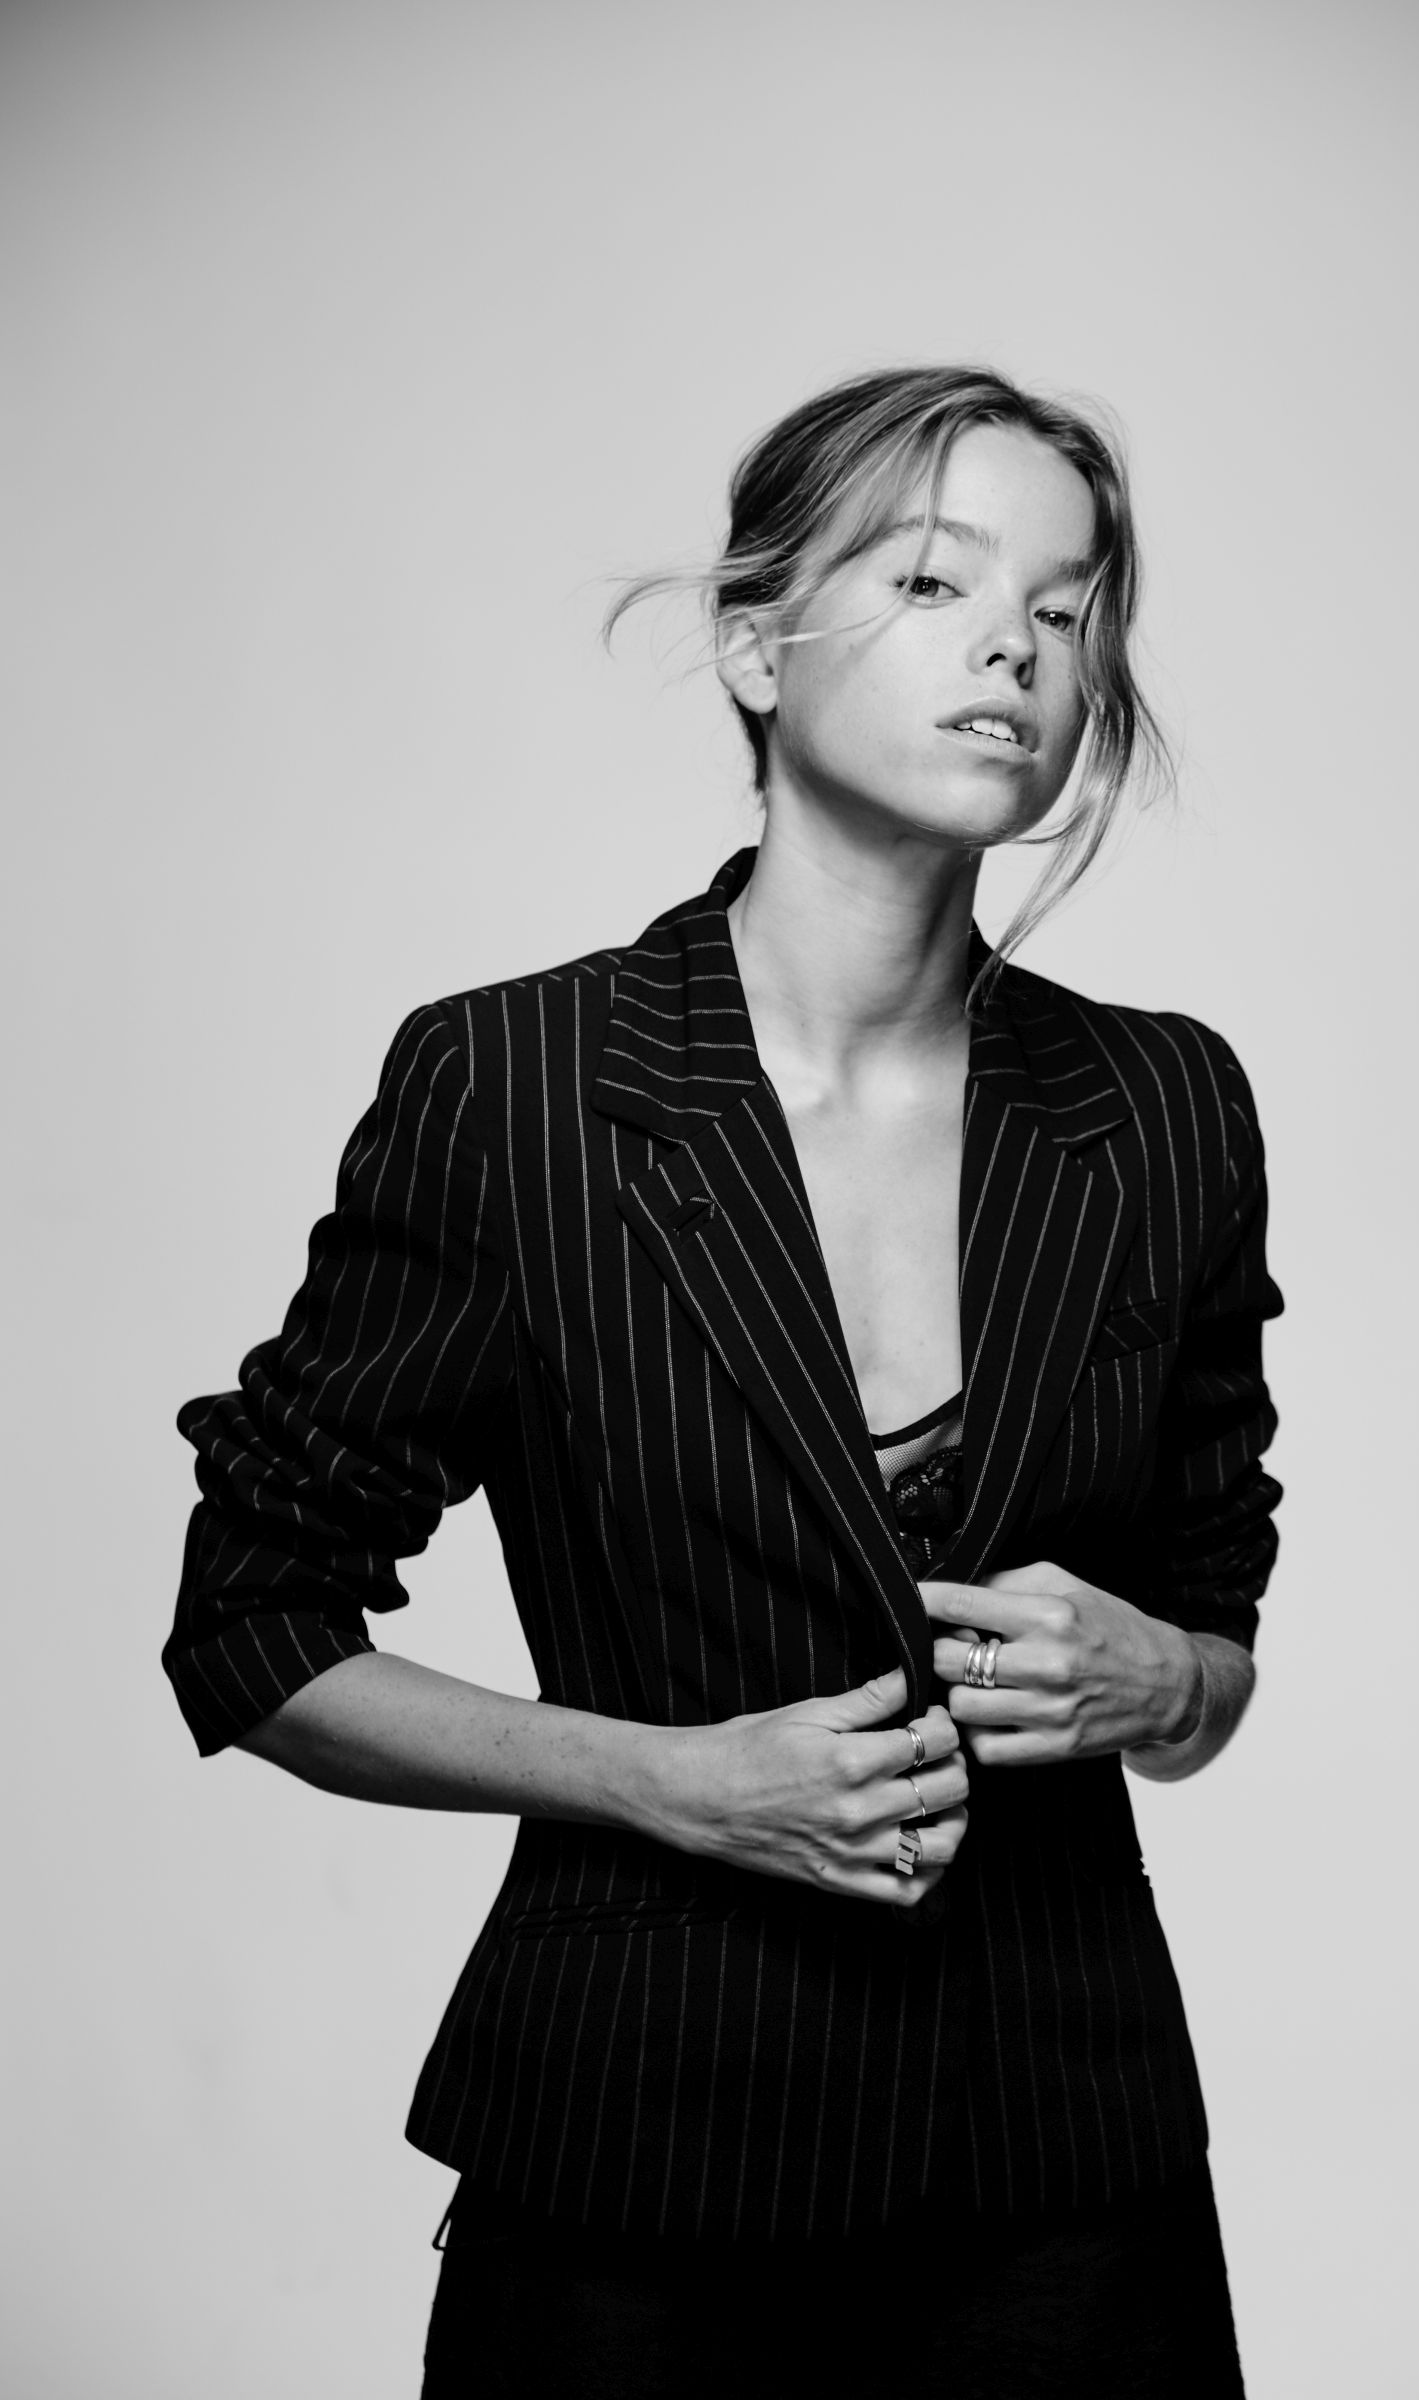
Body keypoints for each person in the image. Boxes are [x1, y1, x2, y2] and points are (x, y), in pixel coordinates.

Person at [165, 364, 1282, 2396]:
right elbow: (248, 1634)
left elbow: (1211, 1645)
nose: (1015, 647)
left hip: (1064, 2180)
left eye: (1065, 602)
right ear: (758, 648)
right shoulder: (514, 1088)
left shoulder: (1167, 1107)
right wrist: (670, 1783)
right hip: (636, 2177)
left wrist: (1161, 1682)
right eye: (938, 578)